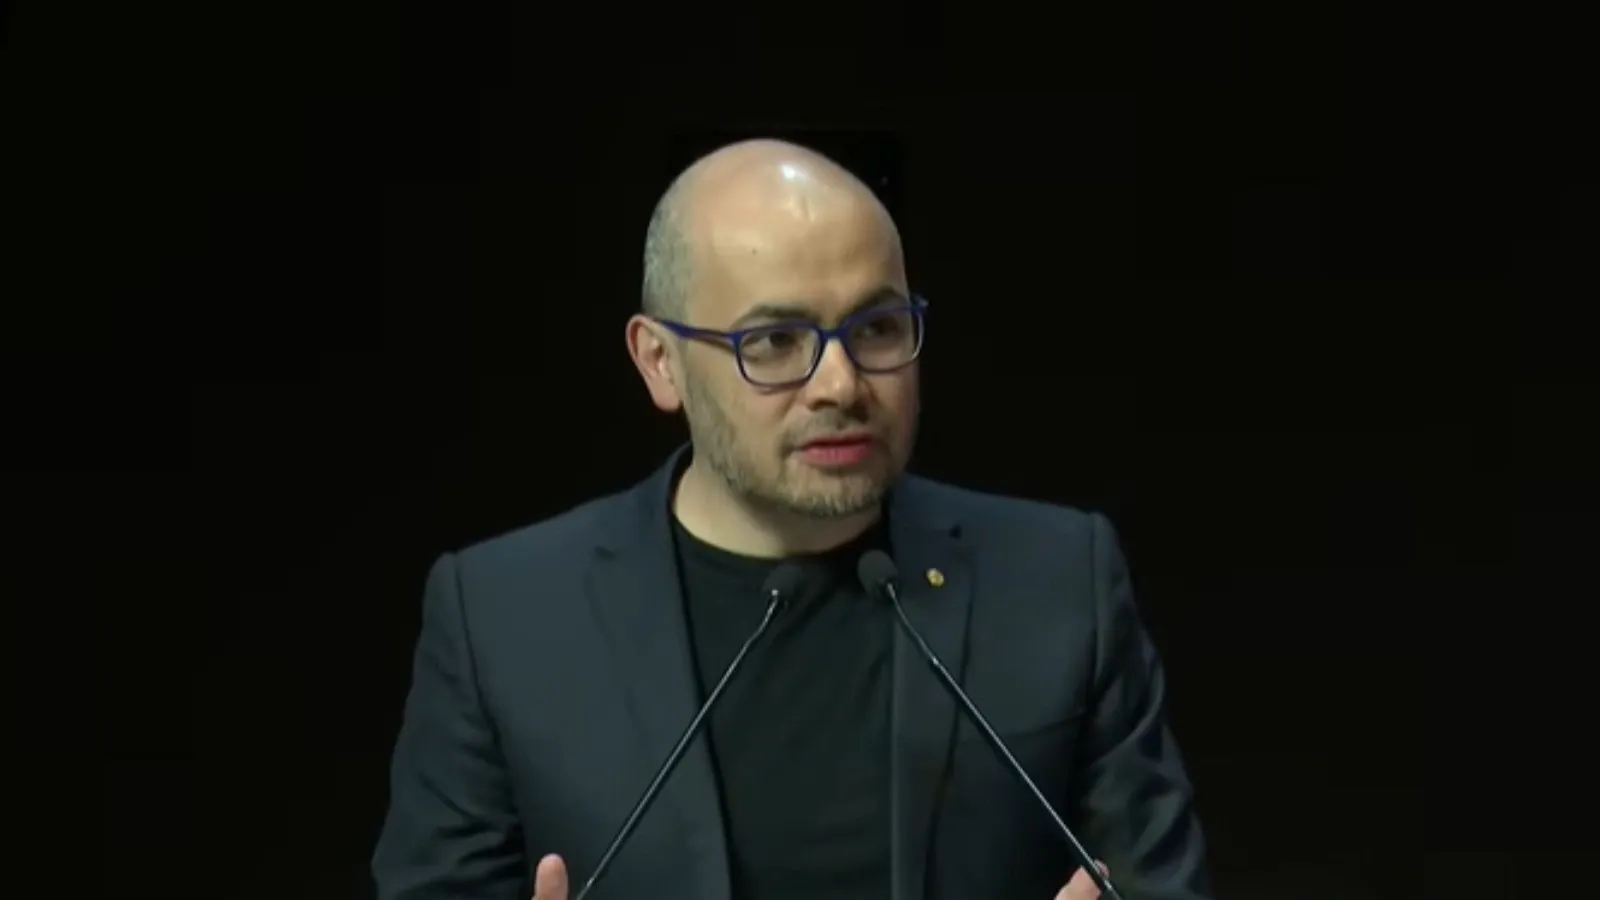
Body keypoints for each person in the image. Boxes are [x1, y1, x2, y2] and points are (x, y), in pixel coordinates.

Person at [372, 139, 1212, 900]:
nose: (841, 384)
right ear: (660, 362)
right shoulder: (502, 617)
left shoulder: (1059, 578)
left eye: (877, 328)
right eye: (774, 341)